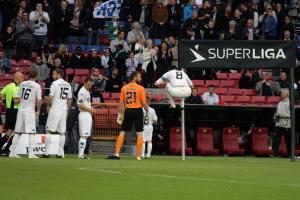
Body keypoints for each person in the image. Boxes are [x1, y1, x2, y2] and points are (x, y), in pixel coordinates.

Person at [107, 71, 148, 160]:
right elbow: (144, 102)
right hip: (137, 111)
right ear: (134, 77)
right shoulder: (140, 88)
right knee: (139, 133)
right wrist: (147, 111)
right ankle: (138, 156)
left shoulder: (124, 88)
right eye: (139, 76)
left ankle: (116, 154)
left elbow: (121, 103)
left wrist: (120, 114)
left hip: (128, 110)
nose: (140, 78)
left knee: (122, 132)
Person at [9, 69, 42, 158]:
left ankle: (12, 152)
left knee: (17, 132)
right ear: (36, 76)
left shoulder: (22, 84)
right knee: (31, 132)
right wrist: (38, 110)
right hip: (29, 111)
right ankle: (31, 154)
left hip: (21, 110)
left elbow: (18, 98)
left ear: (28, 75)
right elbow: (39, 100)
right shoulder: (37, 86)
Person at [42, 69, 72, 158]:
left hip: (55, 108)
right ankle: (60, 153)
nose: (52, 75)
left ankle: (46, 153)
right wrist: (67, 109)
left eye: (54, 74)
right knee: (62, 132)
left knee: (48, 130)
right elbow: (70, 99)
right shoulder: (68, 84)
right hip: (64, 110)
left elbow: (51, 97)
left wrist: (48, 106)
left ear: (58, 74)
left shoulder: (54, 84)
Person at [0, 72, 24, 156]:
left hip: (9, 110)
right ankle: (6, 149)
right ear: (17, 78)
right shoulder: (16, 88)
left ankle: (2, 148)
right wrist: (26, 99)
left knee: (10, 131)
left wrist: (5, 101)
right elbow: (16, 101)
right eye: (22, 77)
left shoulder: (9, 86)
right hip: (15, 111)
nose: (23, 79)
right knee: (18, 131)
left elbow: (1, 94)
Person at [77, 77, 95, 159]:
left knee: (85, 135)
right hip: (84, 114)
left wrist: (90, 109)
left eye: (91, 85)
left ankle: (82, 153)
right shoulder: (82, 92)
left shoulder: (87, 91)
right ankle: (80, 154)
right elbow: (79, 105)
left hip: (87, 114)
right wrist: (90, 110)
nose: (90, 86)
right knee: (84, 135)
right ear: (84, 83)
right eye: (88, 85)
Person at [273, 89, 290, 157]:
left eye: (282, 93)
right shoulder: (279, 103)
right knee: (276, 139)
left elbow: (290, 115)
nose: (281, 94)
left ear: (286, 94)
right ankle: (275, 154)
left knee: (288, 140)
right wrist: (275, 116)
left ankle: (290, 154)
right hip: (278, 124)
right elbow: (277, 113)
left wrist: (280, 115)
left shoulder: (290, 103)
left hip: (287, 124)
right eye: (281, 93)